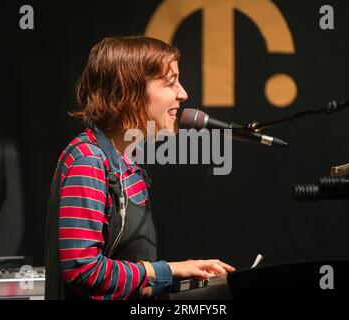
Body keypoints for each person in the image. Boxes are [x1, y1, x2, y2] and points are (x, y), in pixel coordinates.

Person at [45, 36, 235, 300]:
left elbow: (131, 277)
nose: (183, 94)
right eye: (170, 83)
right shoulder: (88, 161)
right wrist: (169, 270)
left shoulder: (126, 162)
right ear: (129, 91)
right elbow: (83, 272)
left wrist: (182, 281)